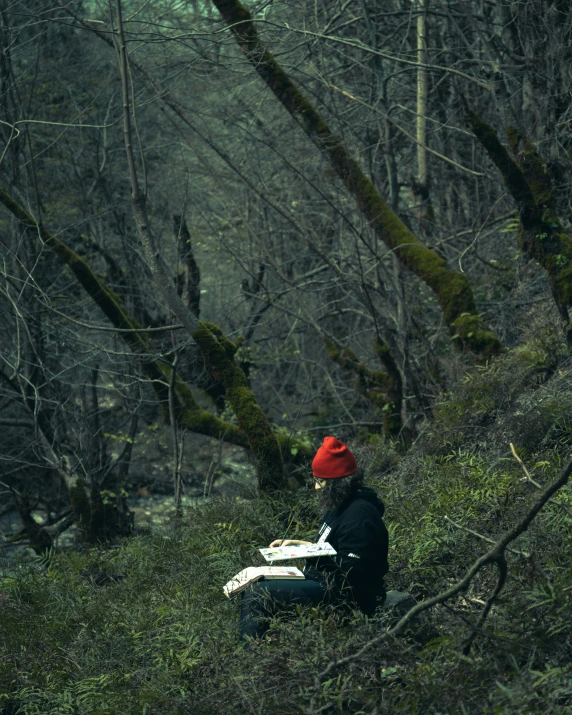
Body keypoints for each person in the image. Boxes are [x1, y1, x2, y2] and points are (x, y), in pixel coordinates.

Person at [239, 436, 389, 641]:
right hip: (323, 581)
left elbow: (356, 572)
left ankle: (248, 659)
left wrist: (317, 558)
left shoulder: (360, 516)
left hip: (350, 597)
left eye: (320, 481)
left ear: (338, 481)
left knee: (258, 594)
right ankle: (270, 649)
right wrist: (296, 545)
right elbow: (330, 548)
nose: (317, 487)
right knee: (256, 582)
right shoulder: (340, 505)